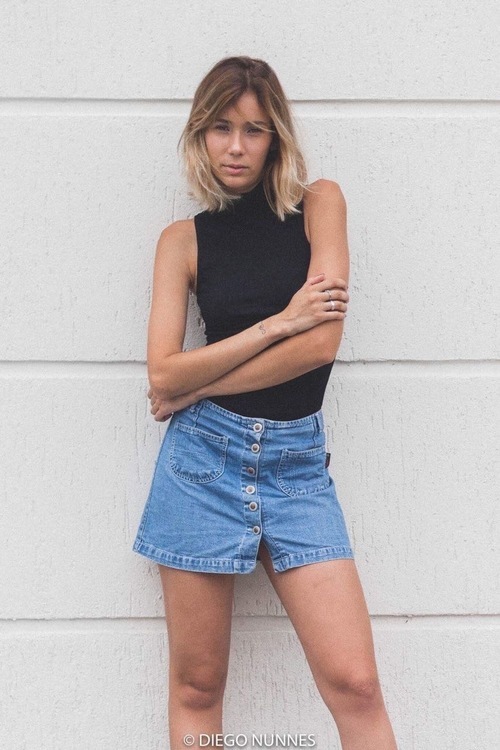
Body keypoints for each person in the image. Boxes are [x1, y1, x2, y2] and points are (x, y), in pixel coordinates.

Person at [133, 56, 397, 750]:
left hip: (296, 467)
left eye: (253, 129)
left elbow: (320, 345)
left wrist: (198, 383)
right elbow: (162, 372)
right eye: (221, 128)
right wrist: (279, 322)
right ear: (200, 134)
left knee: (356, 684)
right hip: (202, 465)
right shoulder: (182, 242)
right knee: (198, 687)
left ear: (276, 136)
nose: (236, 147)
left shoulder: (321, 205)